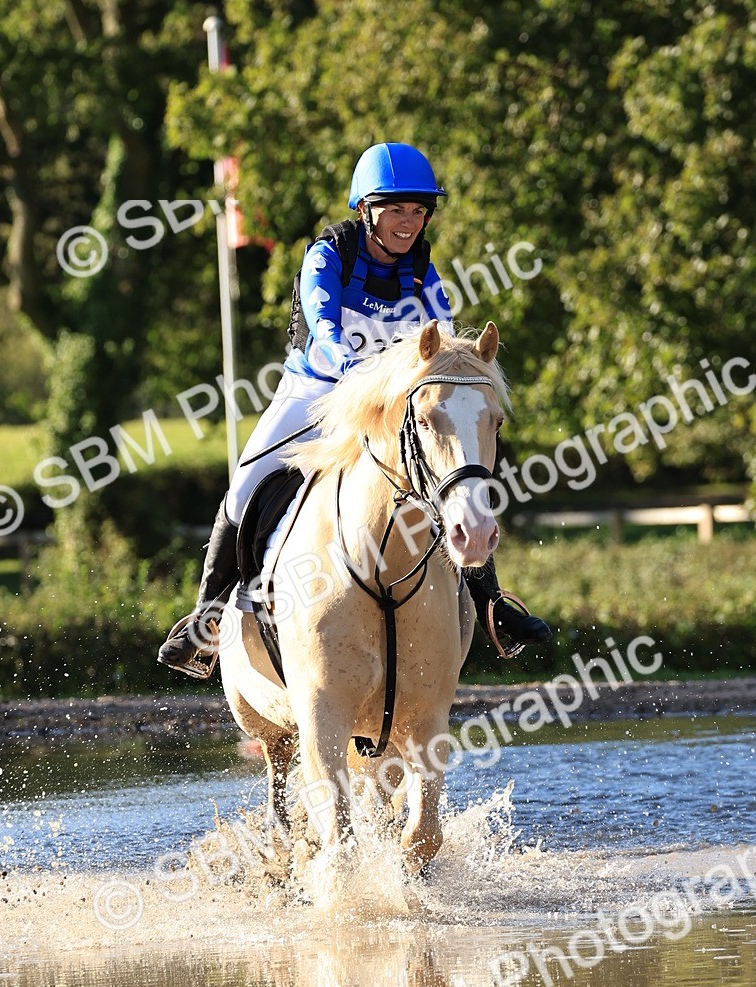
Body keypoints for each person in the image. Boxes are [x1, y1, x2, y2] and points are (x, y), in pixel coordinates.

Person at [158, 142, 550, 673]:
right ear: (366, 209)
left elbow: (446, 338)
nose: (408, 222)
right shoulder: (328, 255)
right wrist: (353, 372)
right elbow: (324, 327)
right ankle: (205, 623)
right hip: (317, 391)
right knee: (246, 482)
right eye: (395, 210)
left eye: (418, 211)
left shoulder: (423, 273)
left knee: (456, 476)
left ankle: (493, 606)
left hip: (392, 402)